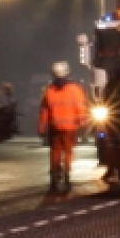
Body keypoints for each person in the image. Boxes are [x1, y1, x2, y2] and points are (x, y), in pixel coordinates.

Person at [38, 61, 88, 198]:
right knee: (68, 153)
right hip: (70, 128)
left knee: (55, 154)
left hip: (55, 128)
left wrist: (42, 128)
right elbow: (81, 108)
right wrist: (83, 124)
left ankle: (54, 180)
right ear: (67, 73)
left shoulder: (49, 90)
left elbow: (44, 111)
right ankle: (66, 178)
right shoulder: (75, 89)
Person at [101, 65, 120, 185]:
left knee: (111, 147)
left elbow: (103, 100)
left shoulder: (109, 86)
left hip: (111, 122)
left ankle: (111, 170)